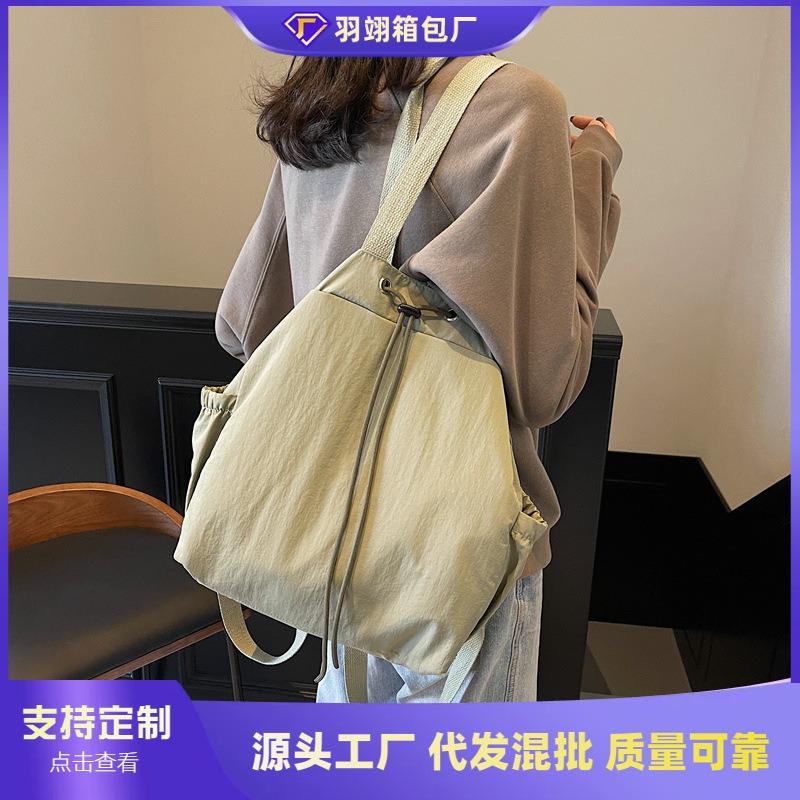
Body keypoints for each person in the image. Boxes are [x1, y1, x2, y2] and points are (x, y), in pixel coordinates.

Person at [214, 55, 623, 702]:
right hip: (455, 544)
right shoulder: (514, 104)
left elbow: (242, 324)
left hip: (334, 525)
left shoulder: (325, 93)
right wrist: (591, 166)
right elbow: (546, 381)